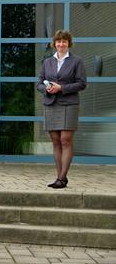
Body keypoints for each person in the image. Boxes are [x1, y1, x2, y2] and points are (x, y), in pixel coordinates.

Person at [37, 30, 87, 189]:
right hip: (51, 104)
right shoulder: (47, 62)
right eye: (58, 42)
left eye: (64, 41)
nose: (61, 44)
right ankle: (60, 178)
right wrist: (47, 89)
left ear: (68, 44)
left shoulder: (77, 61)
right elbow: (39, 83)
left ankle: (62, 177)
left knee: (66, 140)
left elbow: (82, 83)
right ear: (54, 44)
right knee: (56, 141)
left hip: (69, 104)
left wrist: (62, 88)